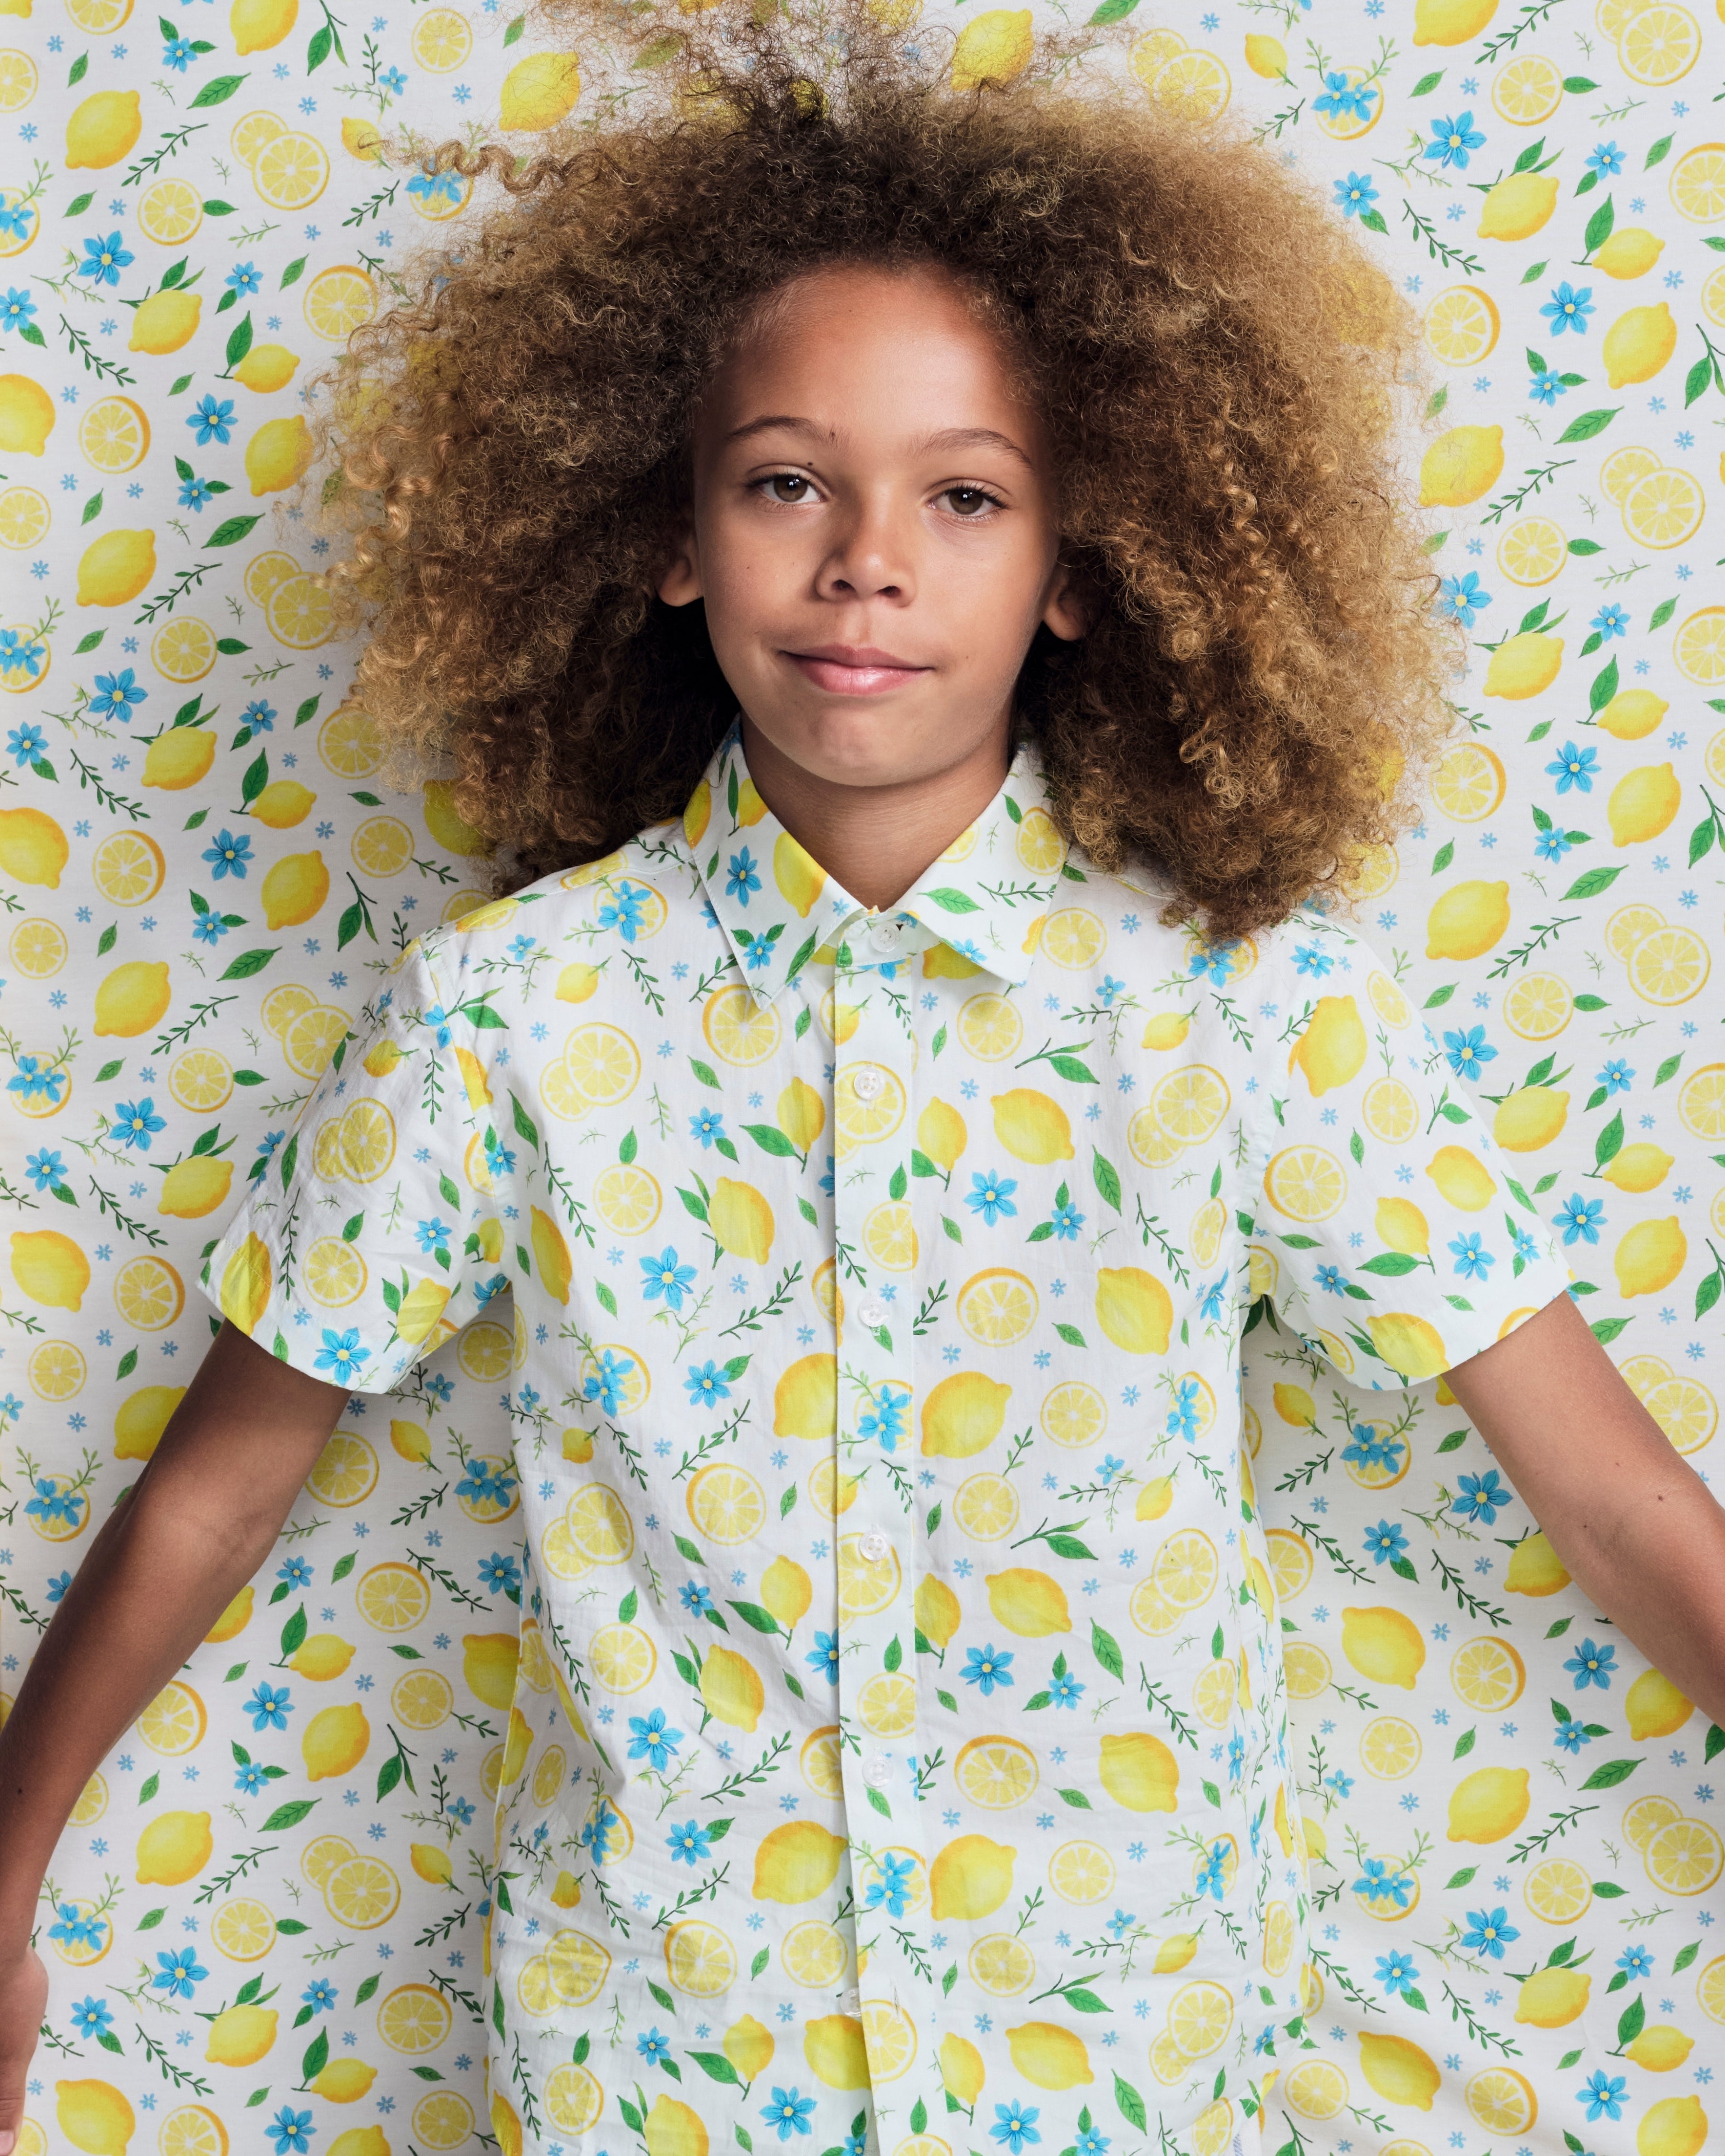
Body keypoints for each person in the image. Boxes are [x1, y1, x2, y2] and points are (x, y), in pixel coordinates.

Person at [5, 6, 1725, 2152]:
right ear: (667, 534)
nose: (867, 564)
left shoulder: (1253, 1013)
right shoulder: (515, 1019)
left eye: (968, 495)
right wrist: (3, 1865)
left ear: (1083, 569)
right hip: (667, 2079)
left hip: (1136, 2077)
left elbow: (1612, 1493)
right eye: (788, 481)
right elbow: (223, 1482)